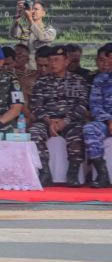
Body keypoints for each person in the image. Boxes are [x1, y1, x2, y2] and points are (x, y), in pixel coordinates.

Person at [29, 46, 88, 187]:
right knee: (34, 132)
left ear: (66, 61)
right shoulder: (41, 82)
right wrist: (49, 122)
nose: (53, 63)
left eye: (57, 60)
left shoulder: (78, 81)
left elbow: (82, 105)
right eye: (50, 60)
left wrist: (65, 121)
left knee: (78, 134)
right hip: (46, 122)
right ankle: (44, 172)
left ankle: (73, 173)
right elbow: (36, 107)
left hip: (71, 121)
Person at [83, 44, 112, 188]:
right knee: (90, 129)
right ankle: (102, 174)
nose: (106, 62)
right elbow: (95, 106)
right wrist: (108, 120)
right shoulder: (100, 79)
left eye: (108, 58)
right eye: (104, 59)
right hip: (106, 123)